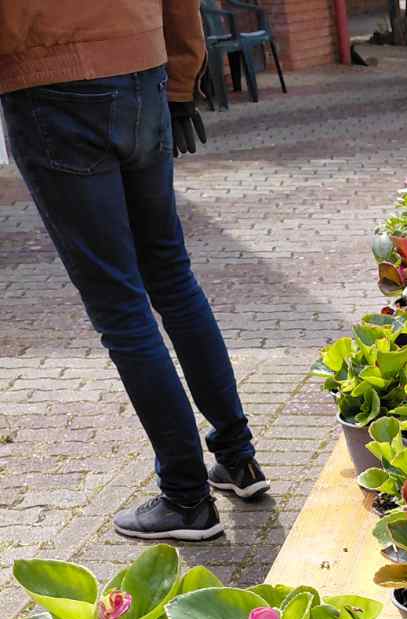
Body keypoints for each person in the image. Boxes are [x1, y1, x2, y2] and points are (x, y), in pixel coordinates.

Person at [0, 0, 269, 542]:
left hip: (50, 83)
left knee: (120, 306)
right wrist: (182, 80)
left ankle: (186, 499)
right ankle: (238, 459)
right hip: (145, 71)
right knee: (172, 277)